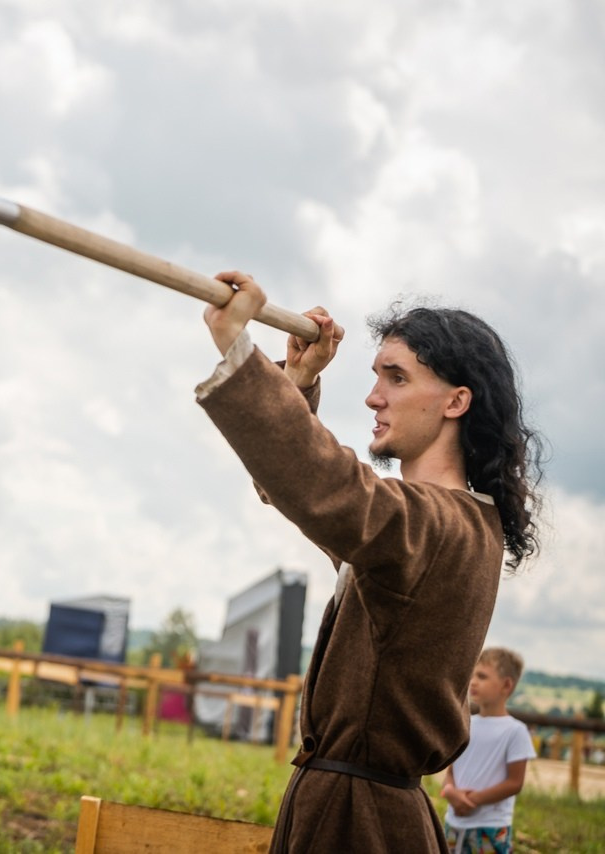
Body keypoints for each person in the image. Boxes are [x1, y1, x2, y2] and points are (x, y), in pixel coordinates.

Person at [194, 272, 544, 852]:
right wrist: (298, 382)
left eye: (397, 377)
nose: (373, 397)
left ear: (456, 401)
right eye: (377, 375)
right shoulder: (441, 525)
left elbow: (329, 488)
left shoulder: (437, 526)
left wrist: (239, 349)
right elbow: (302, 489)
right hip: (359, 812)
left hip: (358, 824)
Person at [441, 647, 537, 854]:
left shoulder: (515, 731)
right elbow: (451, 772)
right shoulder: (464, 724)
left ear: (506, 685)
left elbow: (515, 783)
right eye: (473, 675)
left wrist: (472, 801)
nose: (473, 681)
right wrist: (449, 792)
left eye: (482, 676)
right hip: (453, 825)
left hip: (491, 828)